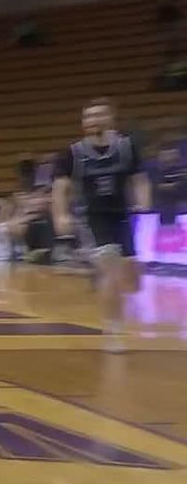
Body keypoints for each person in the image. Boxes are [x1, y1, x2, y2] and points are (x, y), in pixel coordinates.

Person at [53, 98, 152, 340]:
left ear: (111, 118)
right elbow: (60, 189)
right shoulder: (72, 153)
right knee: (111, 271)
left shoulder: (127, 147)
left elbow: (140, 179)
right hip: (92, 218)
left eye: (98, 115)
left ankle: (112, 286)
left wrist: (144, 204)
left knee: (132, 279)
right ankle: (113, 328)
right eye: (88, 116)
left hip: (123, 215)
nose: (92, 120)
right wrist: (61, 215)